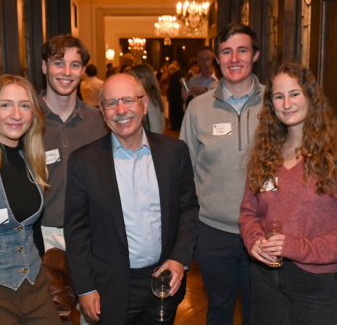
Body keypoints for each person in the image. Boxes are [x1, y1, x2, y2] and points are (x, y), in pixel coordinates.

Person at [64, 73, 199, 324]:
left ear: (144, 104)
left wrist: (180, 258)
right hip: (111, 288)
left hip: (164, 282)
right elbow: (76, 232)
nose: (121, 110)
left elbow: (188, 209)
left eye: (128, 100)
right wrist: (85, 287)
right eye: (111, 103)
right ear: (103, 112)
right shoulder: (83, 162)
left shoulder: (174, 152)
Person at [239, 63, 337, 324]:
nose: (286, 103)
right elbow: (249, 212)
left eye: (294, 94)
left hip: (318, 282)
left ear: (310, 96)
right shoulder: (265, 153)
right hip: (265, 278)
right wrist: (255, 241)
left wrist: (297, 247)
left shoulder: (332, 154)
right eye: (278, 96)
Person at [180, 23, 262, 325]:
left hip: (264, 231)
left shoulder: (277, 103)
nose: (234, 58)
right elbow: (184, 171)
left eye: (242, 50)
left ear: (255, 55)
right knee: (218, 310)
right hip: (212, 232)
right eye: (226, 52)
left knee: (260, 311)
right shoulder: (198, 108)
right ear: (217, 58)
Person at [0, 75, 61, 325]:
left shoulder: (31, 160)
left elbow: (32, 229)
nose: (17, 114)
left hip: (36, 289)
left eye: (25, 105)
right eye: (5, 104)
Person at [39, 34, 107, 324]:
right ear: (44, 67)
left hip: (92, 234)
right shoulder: (25, 119)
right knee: (54, 316)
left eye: (75, 64)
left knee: (94, 314)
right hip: (42, 236)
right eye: (59, 63)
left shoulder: (99, 121)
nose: (67, 72)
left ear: (83, 70)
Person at [130, 64, 164, 133]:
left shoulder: (145, 99)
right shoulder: (153, 96)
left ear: (142, 80)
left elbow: (155, 127)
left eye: (132, 78)